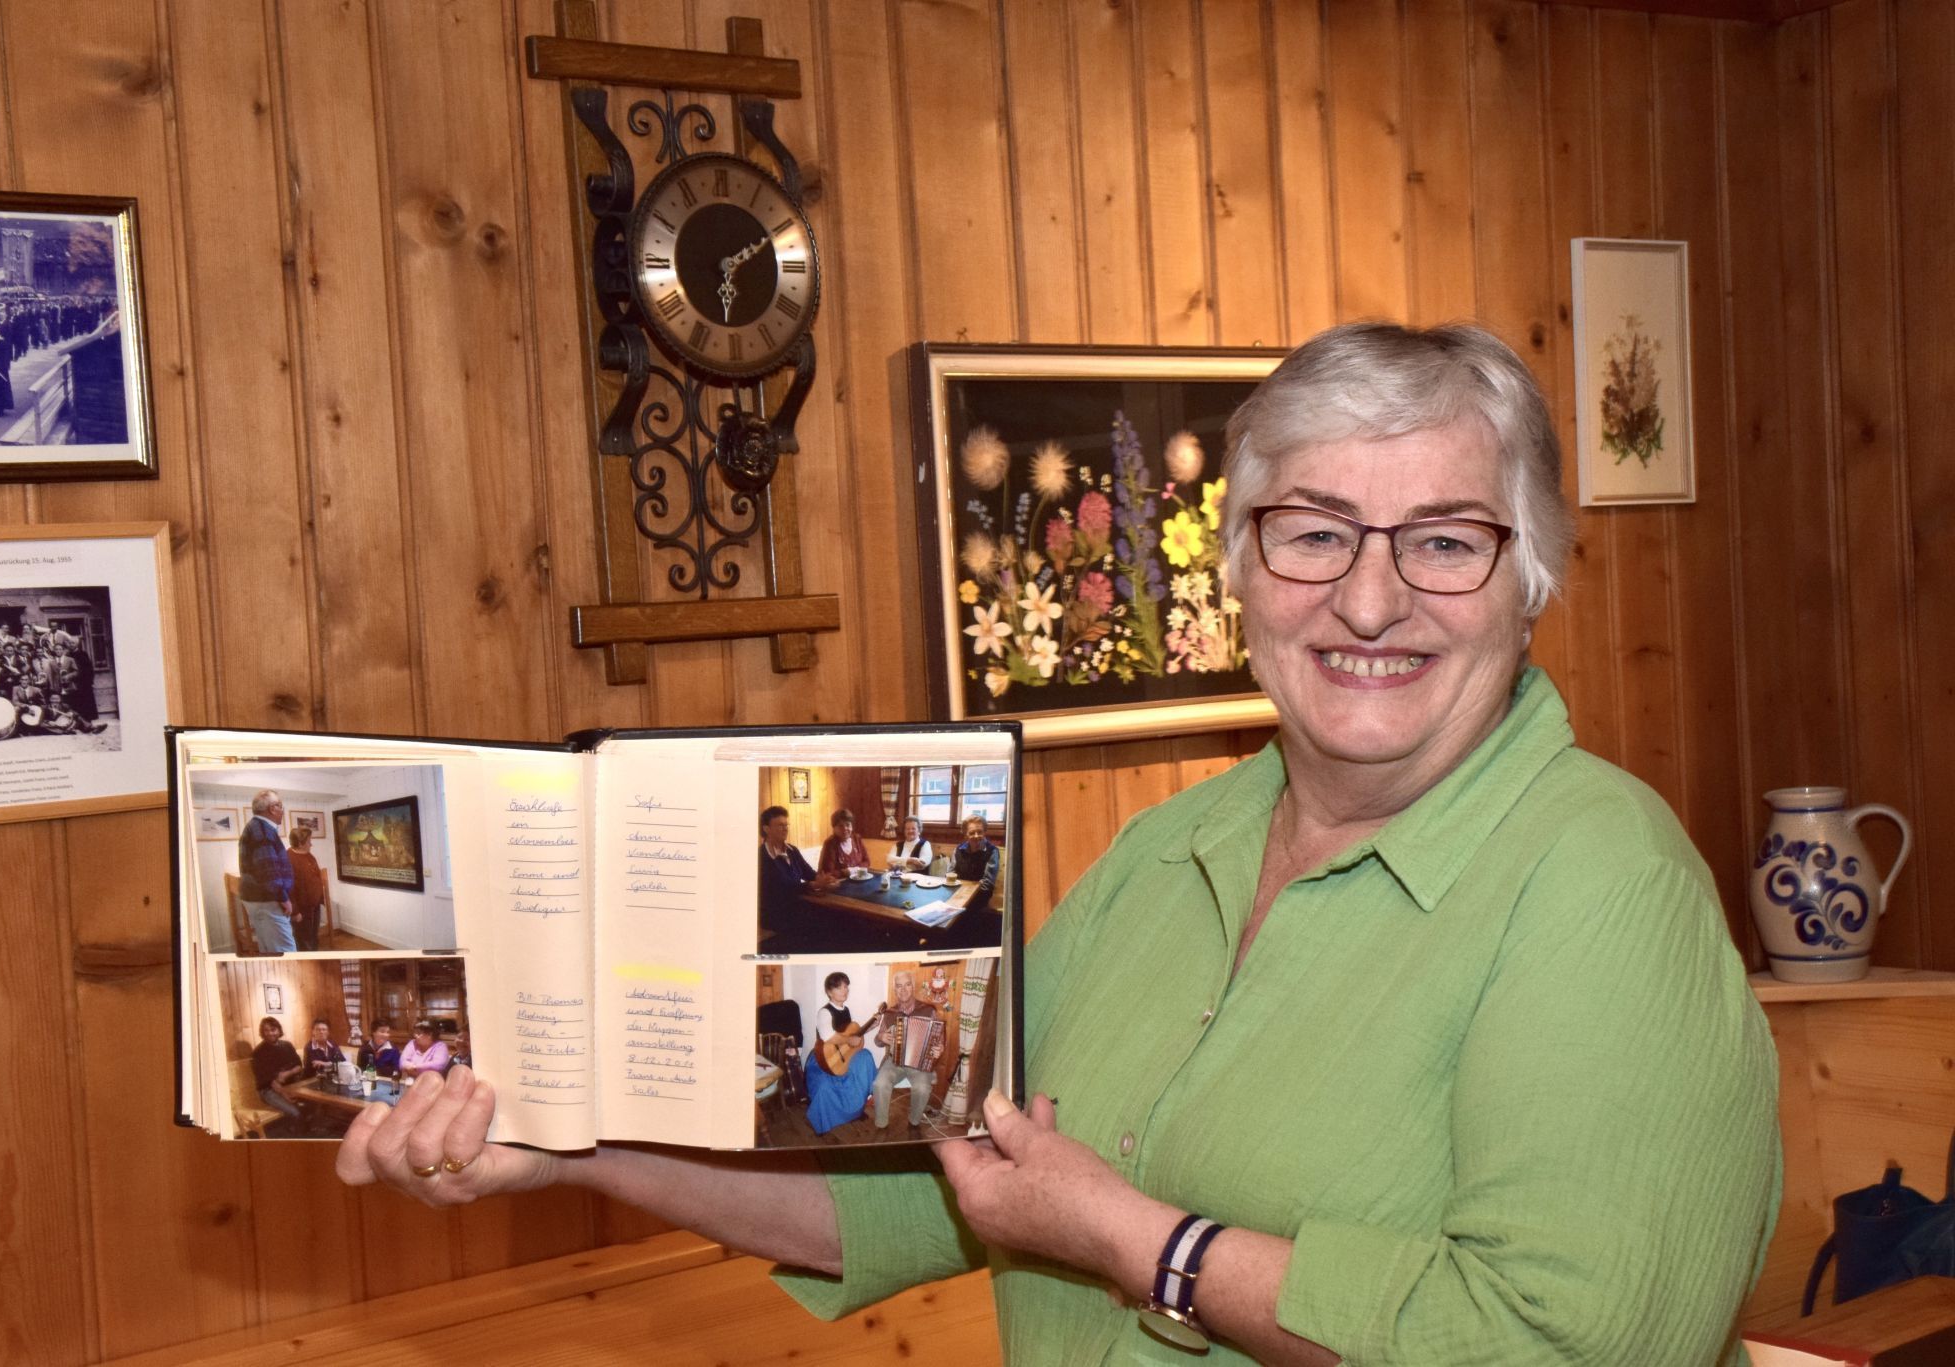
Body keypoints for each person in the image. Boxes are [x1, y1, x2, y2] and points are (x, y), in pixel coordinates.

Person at [337, 322, 1780, 1365]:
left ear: (1532, 577)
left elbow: (1564, 1346)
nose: (1370, 598)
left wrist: (1142, 1241)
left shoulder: (1605, 881)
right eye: (1316, 532)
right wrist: (574, 1143)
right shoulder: (1171, 852)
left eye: (1446, 540)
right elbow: (922, 1193)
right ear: (1237, 572)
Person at [864, 968, 944, 1138]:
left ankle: (914, 1122)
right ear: (895, 990)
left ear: (913, 986)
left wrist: (939, 1048)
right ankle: (881, 1125)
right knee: (879, 1084)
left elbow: (939, 1037)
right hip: (895, 1061)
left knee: (923, 1088)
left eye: (907, 985)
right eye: (899, 986)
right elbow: (878, 1041)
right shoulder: (890, 1013)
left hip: (920, 1063)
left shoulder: (928, 1010)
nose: (903, 989)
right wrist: (881, 1037)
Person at [802, 971, 878, 1136]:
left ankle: (856, 1110)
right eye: (839, 987)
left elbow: (851, 1035)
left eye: (846, 987)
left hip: (842, 1057)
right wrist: (848, 1040)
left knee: (865, 1058)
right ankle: (823, 1121)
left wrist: (869, 1028)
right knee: (824, 1086)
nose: (844, 991)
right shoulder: (824, 1012)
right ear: (829, 991)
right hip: (825, 1060)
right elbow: (827, 1035)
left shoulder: (846, 1010)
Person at [757, 804, 838, 937]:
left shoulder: (792, 850)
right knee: (823, 923)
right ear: (766, 829)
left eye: (786, 825)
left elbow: (809, 873)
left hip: (796, 905)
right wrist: (814, 885)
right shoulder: (762, 857)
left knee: (833, 916)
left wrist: (826, 879)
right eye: (780, 825)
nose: (785, 829)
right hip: (776, 914)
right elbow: (783, 888)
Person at [237, 790, 296, 954]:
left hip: (260, 900)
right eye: (280, 806)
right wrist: (283, 897)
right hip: (267, 902)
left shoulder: (256, 827)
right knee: (285, 951)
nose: (282, 811)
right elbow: (268, 870)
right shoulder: (262, 830)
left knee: (269, 948)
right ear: (272, 809)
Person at [250, 1017, 307, 1134]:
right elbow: (269, 1081)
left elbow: (299, 1066)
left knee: (309, 1104)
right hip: (268, 1090)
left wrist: (287, 1073)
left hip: (290, 1085)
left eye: (273, 1029)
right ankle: (293, 1136)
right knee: (295, 1112)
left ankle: (302, 1130)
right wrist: (285, 1094)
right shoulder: (258, 1053)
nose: (270, 1033)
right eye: (266, 1030)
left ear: (279, 1030)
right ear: (262, 1032)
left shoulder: (287, 1045)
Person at [286, 826, 327, 952]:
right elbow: (288, 889)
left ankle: (315, 959)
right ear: (300, 843)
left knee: (313, 937)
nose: (311, 844)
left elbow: (315, 878)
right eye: (309, 841)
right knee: (304, 941)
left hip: (314, 906)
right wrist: (295, 912)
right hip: (301, 910)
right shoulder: (288, 859)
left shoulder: (308, 855)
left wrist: (319, 899)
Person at [816, 807, 870, 877]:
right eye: (840, 826)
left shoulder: (857, 839)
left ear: (852, 826)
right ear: (834, 828)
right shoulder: (830, 844)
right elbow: (827, 872)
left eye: (848, 825)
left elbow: (867, 861)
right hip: (838, 885)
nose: (845, 829)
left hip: (859, 880)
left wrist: (855, 869)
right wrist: (844, 872)